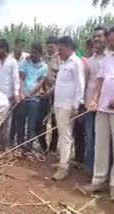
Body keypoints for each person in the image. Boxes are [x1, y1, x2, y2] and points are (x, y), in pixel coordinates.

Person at [83, 27, 114, 200]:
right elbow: (99, 84)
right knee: (100, 146)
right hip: (102, 109)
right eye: (110, 40)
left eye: (113, 40)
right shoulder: (107, 60)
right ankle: (98, 180)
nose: (111, 43)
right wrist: (94, 99)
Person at [52, 36, 85, 181]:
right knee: (62, 134)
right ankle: (62, 161)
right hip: (59, 103)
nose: (58, 52)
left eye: (60, 49)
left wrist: (76, 106)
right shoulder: (65, 63)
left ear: (68, 47)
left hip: (68, 105)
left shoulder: (76, 63)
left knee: (66, 136)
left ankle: (64, 167)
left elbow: (80, 85)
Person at [82, 27, 109, 174]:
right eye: (94, 37)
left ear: (107, 38)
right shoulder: (89, 62)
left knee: (104, 142)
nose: (96, 39)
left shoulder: (110, 58)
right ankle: (91, 170)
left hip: (107, 108)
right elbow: (85, 83)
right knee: (90, 139)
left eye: (99, 36)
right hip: (90, 107)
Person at [16, 42, 48, 153]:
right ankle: (19, 143)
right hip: (23, 97)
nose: (33, 54)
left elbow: (40, 82)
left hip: (34, 99)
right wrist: (21, 93)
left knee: (31, 123)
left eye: (35, 53)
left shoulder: (44, 67)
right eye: (32, 52)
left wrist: (30, 94)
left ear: (40, 54)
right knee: (20, 121)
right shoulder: (25, 63)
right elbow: (21, 78)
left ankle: (28, 146)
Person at [0, 39, 20, 151]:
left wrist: (16, 93)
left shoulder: (12, 62)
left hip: (8, 97)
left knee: (7, 123)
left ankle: (5, 146)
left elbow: (16, 79)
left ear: (4, 49)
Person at [38, 36, 60, 154]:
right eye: (48, 46)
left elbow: (60, 80)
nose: (50, 49)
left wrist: (50, 91)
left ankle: (52, 148)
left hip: (56, 95)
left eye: (52, 46)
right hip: (45, 95)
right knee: (42, 122)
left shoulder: (59, 60)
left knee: (55, 123)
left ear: (57, 46)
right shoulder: (46, 60)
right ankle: (44, 147)